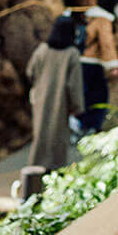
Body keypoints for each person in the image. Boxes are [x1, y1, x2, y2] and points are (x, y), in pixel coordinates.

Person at [27, 15, 84, 172]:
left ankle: (34, 172)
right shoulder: (72, 54)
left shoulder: (42, 50)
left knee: (40, 134)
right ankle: (55, 173)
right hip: (60, 102)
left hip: (39, 99)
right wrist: (77, 107)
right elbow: (74, 85)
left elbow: (30, 72)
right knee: (57, 137)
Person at [76, 0, 118, 135]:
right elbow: (106, 44)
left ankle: (81, 123)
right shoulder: (103, 20)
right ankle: (91, 125)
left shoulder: (91, 17)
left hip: (82, 60)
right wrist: (113, 65)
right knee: (99, 95)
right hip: (93, 63)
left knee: (85, 93)